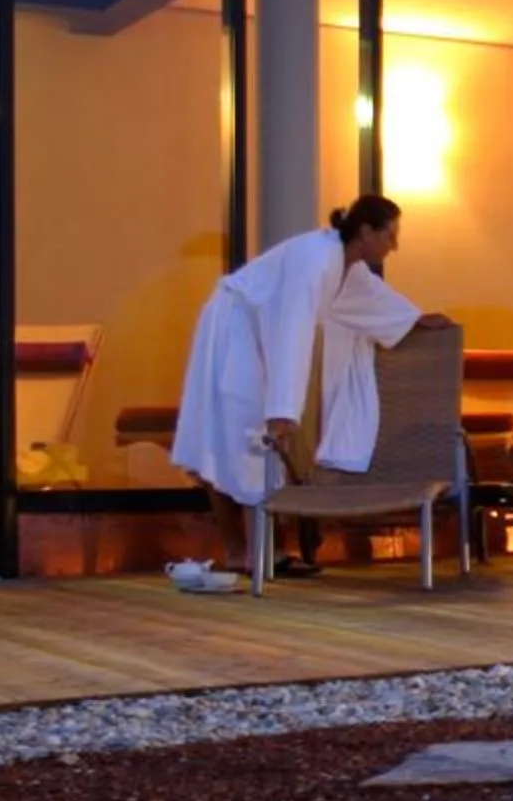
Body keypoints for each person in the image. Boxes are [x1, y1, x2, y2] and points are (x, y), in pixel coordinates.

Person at [171, 197, 442, 563]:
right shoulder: (315, 261)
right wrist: (284, 409)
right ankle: (252, 553)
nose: (395, 245)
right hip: (232, 329)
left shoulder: (345, 264)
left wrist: (412, 318)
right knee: (244, 436)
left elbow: (369, 300)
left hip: (251, 336)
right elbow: (292, 330)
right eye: (390, 235)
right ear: (365, 232)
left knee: (238, 439)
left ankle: (249, 552)